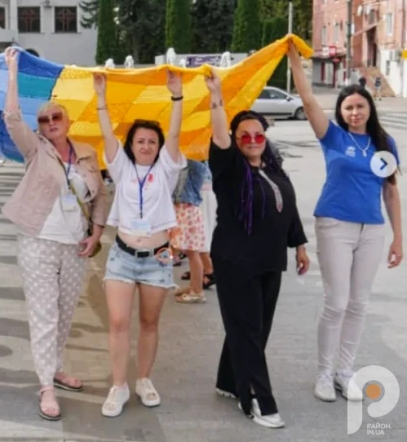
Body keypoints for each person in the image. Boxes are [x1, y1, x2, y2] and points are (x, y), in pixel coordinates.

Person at [287, 43, 403, 402]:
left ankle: (344, 371)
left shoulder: (385, 142)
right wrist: (294, 59)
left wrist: (399, 238)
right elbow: (307, 100)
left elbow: (391, 193)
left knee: (359, 304)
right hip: (335, 225)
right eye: (348, 107)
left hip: (372, 230)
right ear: (340, 111)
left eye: (360, 105)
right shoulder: (333, 136)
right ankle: (323, 373)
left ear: (370, 108)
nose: (354, 111)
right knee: (336, 302)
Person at [1, 47, 108, 421]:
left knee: (64, 313)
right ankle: (46, 384)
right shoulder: (35, 149)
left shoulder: (87, 153)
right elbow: (12, 117)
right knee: (44, 313)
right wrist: (12, 70)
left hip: (76, 245)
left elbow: (100, 196)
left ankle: (57, 367)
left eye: (55, 116)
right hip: (38, 242)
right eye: (44, 119)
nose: (50, 123)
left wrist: (96, 234)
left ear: (68, 119)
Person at [205, 70, 309, 429]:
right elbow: (218, 136)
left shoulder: (272, 166)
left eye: (258, 134)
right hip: (235, 260)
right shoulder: (229, 168)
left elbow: (288, 207)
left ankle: (228, 381)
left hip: (269, 259)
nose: (252, 140)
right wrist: (216, 98)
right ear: (236, 140)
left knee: (254, 326)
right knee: (249, 328)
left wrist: (299, 246)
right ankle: (259, 400)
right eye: (244, 135)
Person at [94, 69, 186, 418]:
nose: (146, 145)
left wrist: (176, 97)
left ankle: (144, 380)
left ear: (159, 146)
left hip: (158, 257)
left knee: (150, 323)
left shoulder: (167, 168)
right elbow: (106, 132)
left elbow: (175, 132)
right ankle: (118, 386)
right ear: (131, 146)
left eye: (152, 141)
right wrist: (101, 99)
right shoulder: (120, 167)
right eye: (139, 141)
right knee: (118, 322)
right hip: (122, 255)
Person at [170, 158, 211, 303]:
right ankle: (194, 286)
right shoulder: (193, 161)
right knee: (187, 251)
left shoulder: (194, 162)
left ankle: (197, 291)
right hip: (184, 208)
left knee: (193, 253)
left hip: (187, 209)